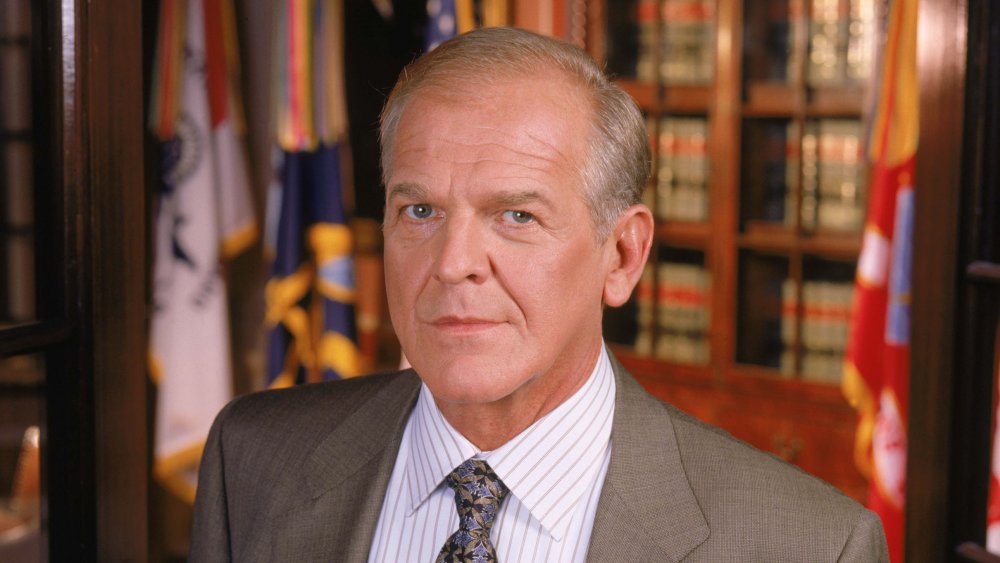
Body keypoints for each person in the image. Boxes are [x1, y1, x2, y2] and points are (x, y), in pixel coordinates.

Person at [189, 27, 888, 562]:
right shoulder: (250, 462)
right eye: (420, 211)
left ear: (622, 256)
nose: (454, 263)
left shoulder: (809, 546)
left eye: (516, 216)